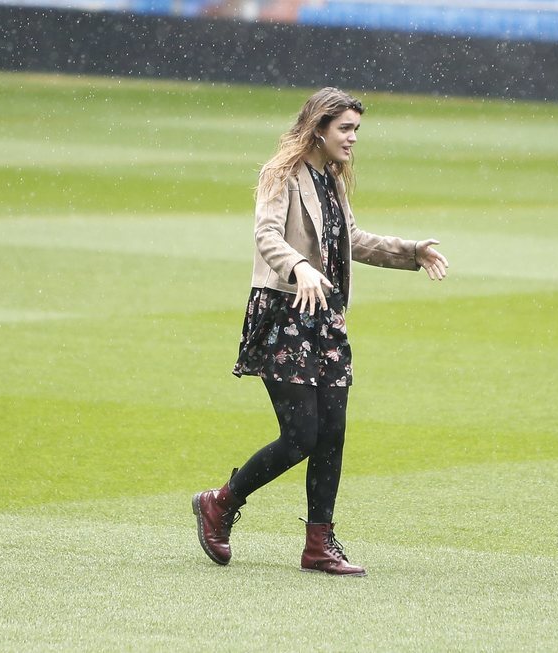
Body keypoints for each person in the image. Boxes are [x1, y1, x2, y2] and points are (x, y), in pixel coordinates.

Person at [192, 88, 449, 577]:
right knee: (300, 436)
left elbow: (352, 239)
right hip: (284, 315)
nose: (353, 139)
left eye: (356, 130)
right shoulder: (280, 174)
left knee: (332, 434)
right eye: (345, 129)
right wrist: (299, 266)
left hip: (325, 317)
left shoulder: (332, 178)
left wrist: (410, 251)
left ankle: (318, 545)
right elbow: (266, 235)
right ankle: (219, 503)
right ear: (319, 128)